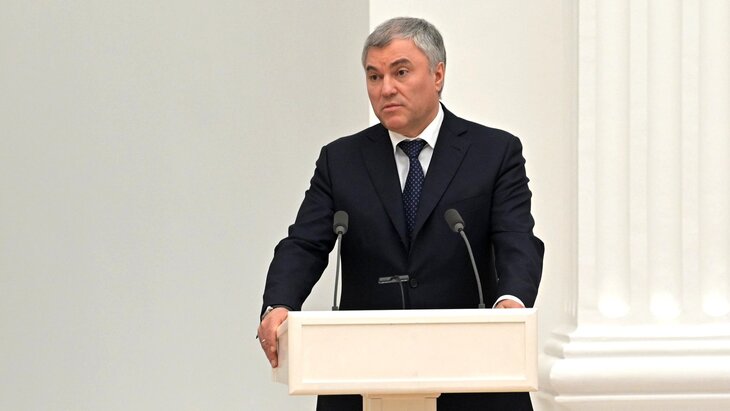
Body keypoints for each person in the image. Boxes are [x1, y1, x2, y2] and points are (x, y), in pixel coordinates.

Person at [257, 17, 543, 411]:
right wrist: (279, 304)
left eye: (401, 72)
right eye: (374, 76)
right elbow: (305, 244)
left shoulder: (494, 152)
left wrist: (511, 301)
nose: (385, 88)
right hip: (363, 372)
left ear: (438, 75)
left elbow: (516, 238)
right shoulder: (340, 160)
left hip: (472, 373)